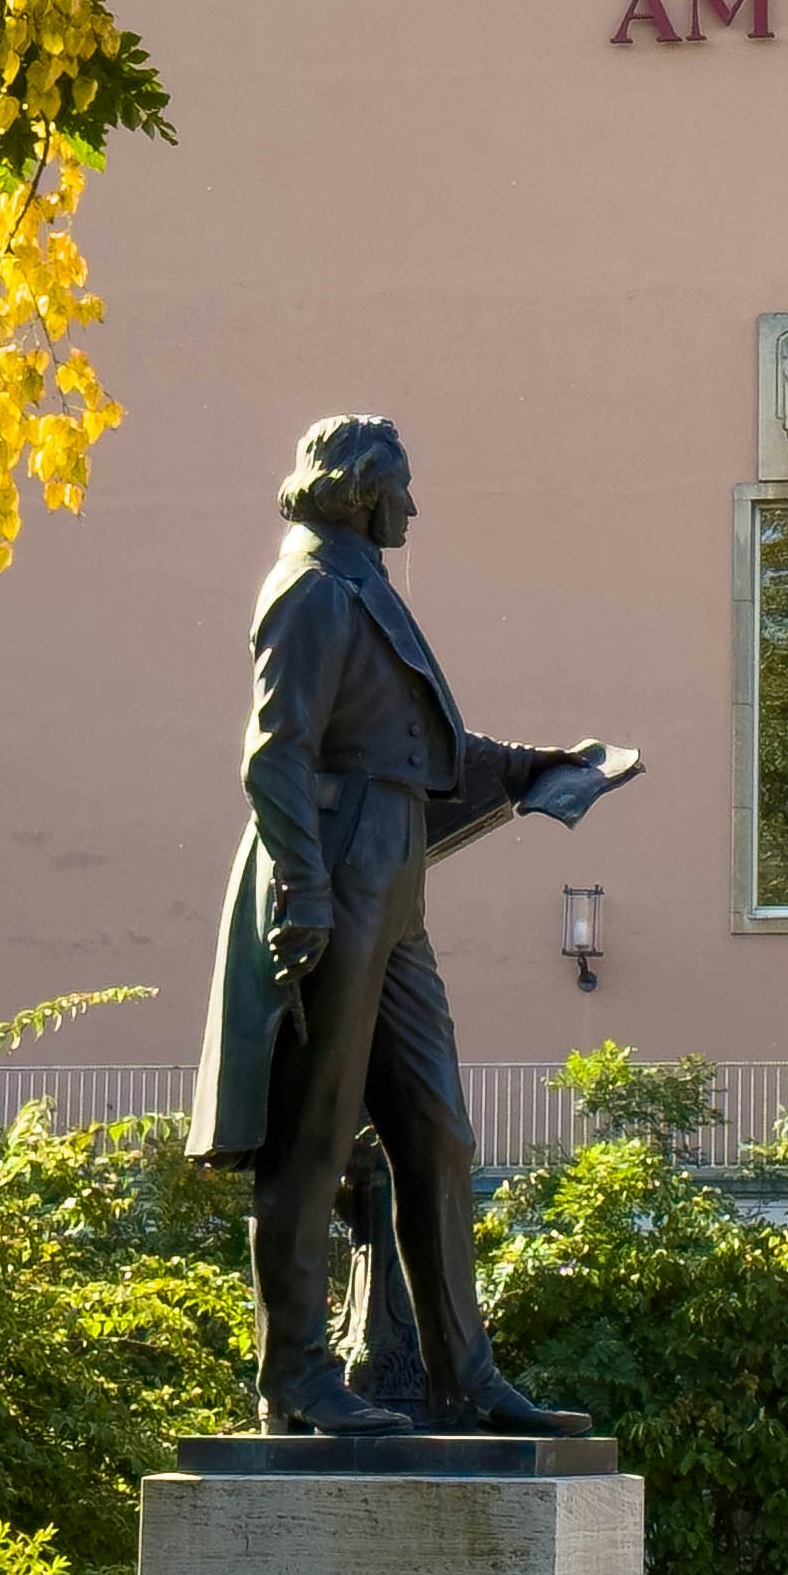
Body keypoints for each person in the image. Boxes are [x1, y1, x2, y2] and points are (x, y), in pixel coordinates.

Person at [189, 414, 610, 1436]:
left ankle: (465, 1377)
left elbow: (418, 747)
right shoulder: (311, 591)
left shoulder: (362, 588)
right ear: (360, 490)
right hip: (335, 865)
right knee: (314, 1135)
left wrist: (530, 767)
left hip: (392, 870)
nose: (413, 508)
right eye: (403, 489)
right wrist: (304, 889)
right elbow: (274, 754)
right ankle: (294, 1375)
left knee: (437, 1129)